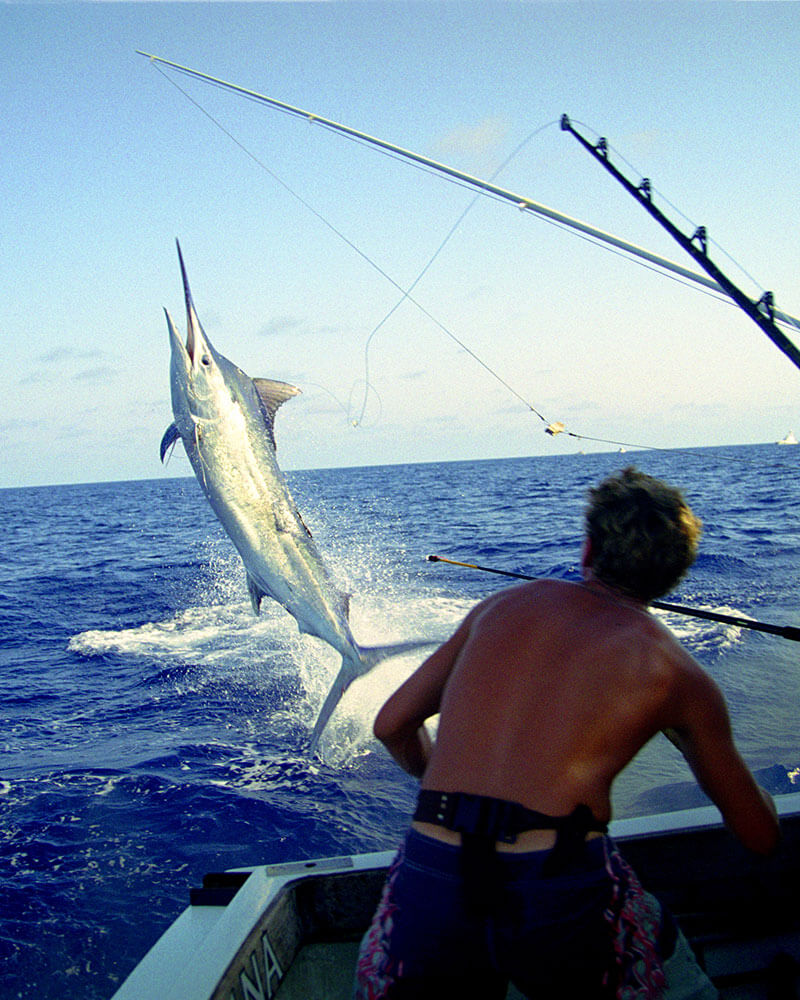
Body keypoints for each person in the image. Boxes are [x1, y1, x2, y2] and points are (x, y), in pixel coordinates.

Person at [354, 467, 780, 999]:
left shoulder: (498, 608)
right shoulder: (680, 678)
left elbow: (392, 724)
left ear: (587, 549)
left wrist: (433, 776)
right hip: (554, 886)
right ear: (675, 573)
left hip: (434, 867)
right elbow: (760, 837)